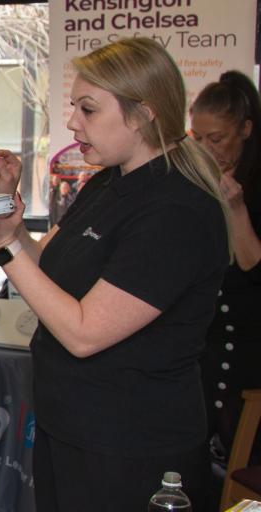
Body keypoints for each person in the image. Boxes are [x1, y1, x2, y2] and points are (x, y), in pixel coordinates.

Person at [0, 37, 230, 511]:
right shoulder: (106, 183)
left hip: (132, 446)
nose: (73, 121)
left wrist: (7, 247)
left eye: (89, 110)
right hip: (70, 425)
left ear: (144, 114)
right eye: (74, 107)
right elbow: (45, 268)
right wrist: (8, 226)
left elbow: (84, 333)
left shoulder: (178, 211)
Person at [190, 70, 261, 472]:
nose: (207, 149)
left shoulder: (250, 188)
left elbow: (253, 265)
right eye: (197, 138)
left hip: (250, 358)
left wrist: (236, 210)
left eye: (216, 139)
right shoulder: (198, 182)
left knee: (243, 473)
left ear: (246, 130)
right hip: (204, 351)